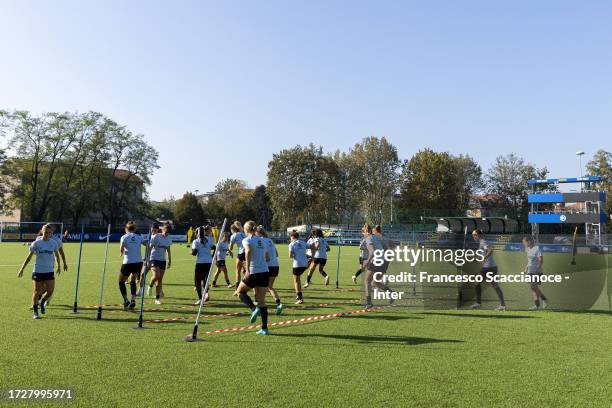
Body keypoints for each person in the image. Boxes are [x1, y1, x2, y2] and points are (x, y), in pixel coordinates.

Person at [233, 221, 270, 335]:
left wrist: (248, 269)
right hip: (264, 272)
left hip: (254, 272)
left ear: (246, 230)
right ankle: (264, 329)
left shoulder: (246, 240)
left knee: (240, 292)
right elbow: (267, 257)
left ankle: (254, 309)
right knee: (262, 301)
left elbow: (248, 251)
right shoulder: (262, 240)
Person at [17, 224, 61, 319]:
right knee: (37, 291)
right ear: (42, 231)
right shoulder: (36, 243)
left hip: (49, 271)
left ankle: (42, 302)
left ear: (51, 233)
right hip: (38, 271)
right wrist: (22, 269)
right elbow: (29, 257)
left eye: (49, 232)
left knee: (50, 291)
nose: (47, 234)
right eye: (45, 232)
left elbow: (57, 255)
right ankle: (36, 312)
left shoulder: (53, 243)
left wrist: (59, 265)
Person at [470, 229, 506, 311]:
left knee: (476, 282)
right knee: (494, 286)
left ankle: (478, 303)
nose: (473, 236)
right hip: (490, 267)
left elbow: (490, 250)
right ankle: (503, 305)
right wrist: (477, 259)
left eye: (475, 235)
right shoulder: (481, 242)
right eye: (473, 235)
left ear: (479, 235)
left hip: (488, 268)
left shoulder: (483, 242)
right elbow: (484, 253)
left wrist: (484, 258)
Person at [33, 224, 68, 307]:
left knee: (46, 286)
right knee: (40, 287)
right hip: (39, 266)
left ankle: (46, 300)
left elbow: (61, 252)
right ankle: (37, 302)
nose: (49, 231)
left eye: (50, 229)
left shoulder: (57, 240)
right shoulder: (38, 239)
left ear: (53, 230)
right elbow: (35, 251)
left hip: (50, 266)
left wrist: (64, 263)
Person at [119, 221, 145, 310]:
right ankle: (133, 300)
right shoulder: (139, 237)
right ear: (134, 229)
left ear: (126, 229)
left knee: (121, 281)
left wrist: (121, 252)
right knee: (133, 281)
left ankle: (126, 300)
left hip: (127, 262)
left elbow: (121, 249)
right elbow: (147, 244)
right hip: (138, 262)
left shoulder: (124, 237)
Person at [257, 225, 283, 314]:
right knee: (270, 287)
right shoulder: (270, 240)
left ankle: (259, 305)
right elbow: (276, 254)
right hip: (275, 265)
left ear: (258, 233)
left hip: (267, 267)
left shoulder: (261, 240)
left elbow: (266, 256)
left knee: (260, 286)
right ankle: (278, 303)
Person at [148, 223, 172, 304]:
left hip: (163, 260)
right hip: (154, 258)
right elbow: (150, 247)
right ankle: (150, 286)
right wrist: (147, 259)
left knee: (160, 280)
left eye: (168, 232)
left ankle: (157, 299)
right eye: (165, 232)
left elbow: (168, 250)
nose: (166, 234)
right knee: (156, 276)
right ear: (162, 230)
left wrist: (169, 260)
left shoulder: (169, 238)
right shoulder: (156, 236)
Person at [523, 235, 548, 310]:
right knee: (533, 288)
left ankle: (544, 299)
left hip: (537, 271)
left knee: (534, 287)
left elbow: (541, 260)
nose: (523, 244)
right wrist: (526, 268)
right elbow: (529, 261)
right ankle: (537, 305)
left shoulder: (537, 248)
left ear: (529, 241)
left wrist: (537, 269)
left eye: (524, 242)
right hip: (530, 271)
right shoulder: (527, 249)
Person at [191, 225, 215, 304]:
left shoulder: (196, 241)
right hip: (209, 262)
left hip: (200, 263)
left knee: (197, 281)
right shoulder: (209, 239)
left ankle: (200, 298)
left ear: (197, 233)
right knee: (206, 279)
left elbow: (194, 253)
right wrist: (212, 255)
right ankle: (207, 293)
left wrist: (192, 252)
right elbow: (214, 247)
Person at [135, 223, 159, 296]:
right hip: (147, 259)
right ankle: (140, 291)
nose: (153, 230)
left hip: (154, 259)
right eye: (152, 228)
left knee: (155, 277)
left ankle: (158, 291)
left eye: (155, 229)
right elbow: (146, 245)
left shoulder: (158, 237)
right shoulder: (149, 236)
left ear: (157, 229)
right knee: (142, 275)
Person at [288, 230, 308, 304]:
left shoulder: (291, 244)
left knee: (296, 281)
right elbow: (312, 246)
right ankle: (298, 294)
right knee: (298, 279)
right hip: (305, 264)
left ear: (292, 237)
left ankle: (300, 298)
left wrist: (294, 255)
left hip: (297, 264)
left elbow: (290, 255)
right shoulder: (303, 242)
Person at [229, 222, 246, 288]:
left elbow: (231, 248)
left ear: (233, 229)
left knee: (238, 271)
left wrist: (228, 251)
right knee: (246, 271)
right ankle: (246, 285)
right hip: (247, 253)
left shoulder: (233, 236)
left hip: (241, 253)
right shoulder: (244, 233)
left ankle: (237, 287)